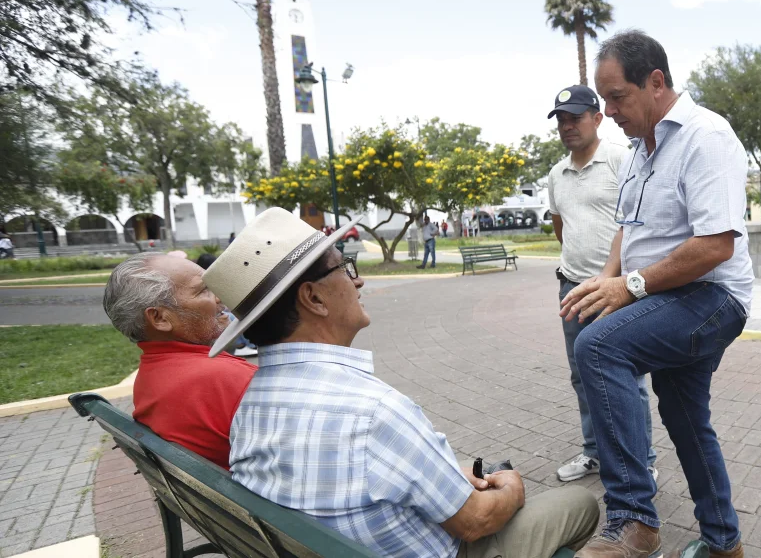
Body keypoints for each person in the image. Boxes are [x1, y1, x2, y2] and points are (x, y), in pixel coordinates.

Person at [202, 208, 599, 558]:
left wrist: (446, 476)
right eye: (344, 267)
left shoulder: (249, 407)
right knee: (579, 504)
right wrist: (511, 486)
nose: (358, 282)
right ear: (314, 299)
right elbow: (476, 521)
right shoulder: (372, 412)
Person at [561, 31, 753, 558]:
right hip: (667, 299)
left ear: (656, 82)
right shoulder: (640, 151)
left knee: (598, 348)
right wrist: (605, 279)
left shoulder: (705, 136)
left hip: (711, 298)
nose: (609, 112)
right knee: (685, 417)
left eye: (617, 97)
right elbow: (628, 230)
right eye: (604, 100)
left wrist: (630, 286)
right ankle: (724, 542)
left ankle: (633, 520)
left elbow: (715, 245)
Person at [546, 84, 657, 485]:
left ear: (597, 118)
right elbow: (561, 228)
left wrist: (615, 278)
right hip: (573, 290)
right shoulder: (556, 174)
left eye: (575, 117)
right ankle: (594, 452)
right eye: (561, 120)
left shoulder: (621, 160)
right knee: (582, 376)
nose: (567, 126)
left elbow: (637, 224)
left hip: (616, 292)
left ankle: (643, 460)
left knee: (627, 377)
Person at [102, 253, 255, 469]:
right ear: (160, 318)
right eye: (204, 290)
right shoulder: (224, 377)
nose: (219, 297)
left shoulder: (152, 374)